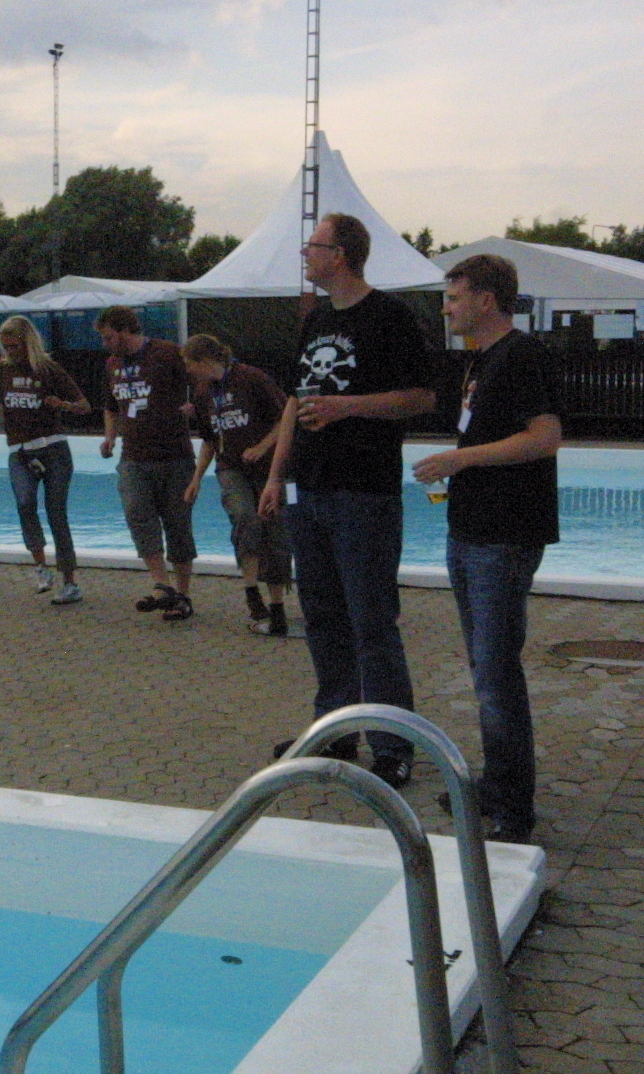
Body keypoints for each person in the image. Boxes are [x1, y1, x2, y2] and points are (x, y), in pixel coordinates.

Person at [259, 212, 439, 785]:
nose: (305, 254)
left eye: (312, 246)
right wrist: (275, 475)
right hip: (308, 490)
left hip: (363, 492)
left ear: (340, 255)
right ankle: (335, 731)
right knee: (322, 618)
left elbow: (422, 397)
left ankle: (393, 743)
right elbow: (295, 401)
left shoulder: (390, 317)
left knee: (371, 621)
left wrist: (347, 407)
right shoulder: (315, 320)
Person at [412, 253, 561, 842]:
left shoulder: (523, 356)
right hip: (471, 530)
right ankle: (496, 786)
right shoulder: (482, 360)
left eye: (453, 298)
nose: (446, 310)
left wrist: (462, 458)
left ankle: (514, 810)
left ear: (486, 300)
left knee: (496, 673)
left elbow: (545, 437)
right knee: (485, 668)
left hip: (505, 534)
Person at [0, 314, 91, 604]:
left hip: (53, 449)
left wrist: (63, 404)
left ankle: (70, 582)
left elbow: (84, 405)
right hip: (20, 451)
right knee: (25, 504)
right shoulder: (0, 368)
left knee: (56, 514)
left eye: (15, 346)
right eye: (6, 347)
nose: (10, 352)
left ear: (28, 342)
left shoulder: (48, 369)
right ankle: (41, 566)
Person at [182, 334, 292, 635]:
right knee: (244, 518)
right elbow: (209, 440)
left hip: (268, 468)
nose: (188, 370)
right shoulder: (203, 393)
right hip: (231, 467)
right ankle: (251, 591)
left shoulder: (251, 378)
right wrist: (196, 479)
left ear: (205, 361)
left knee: (274, 530)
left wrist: (262, 446)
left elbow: (284, 418)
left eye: (190, 364)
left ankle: (278, 605)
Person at [97, 305, 198, 620]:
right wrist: (110, 437)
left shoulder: (167, 353)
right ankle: (162, 583)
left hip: (174, 455)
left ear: (125, 330)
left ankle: (182, 594)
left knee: (177, 524)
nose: (105, 343)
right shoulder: (113, 364)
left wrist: (195, 405)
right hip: (133, 457)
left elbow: (202, 377)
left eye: (108, 337)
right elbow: (111, 406)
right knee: (137, 514)